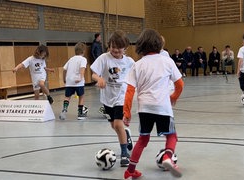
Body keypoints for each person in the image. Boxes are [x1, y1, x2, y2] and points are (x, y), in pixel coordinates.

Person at [123, 29, 184, 179]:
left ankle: (130, 170)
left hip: (144, 108)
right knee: (172, 136)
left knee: (143, 139)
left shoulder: (137, 65)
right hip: (162, 106)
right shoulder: (167, 61)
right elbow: (180, 84)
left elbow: (130, 91)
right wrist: (173, 96)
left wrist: (127, 112)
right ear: (159, 44)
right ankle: (167, 157)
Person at [90, 30, 134, 167]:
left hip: (122, 95)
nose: (115, 51)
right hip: (108, 97)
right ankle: (126, 135)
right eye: (112, 48)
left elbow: (136, 78)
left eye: (118, 50)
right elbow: (93, 74)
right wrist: (99, 79)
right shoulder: (104, 58)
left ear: (125, 48)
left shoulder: (129, 62)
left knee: (117, 124)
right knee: (113, 125)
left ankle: (125, 154)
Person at [59, 42, 88, 120]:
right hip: (78, 82)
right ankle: (80, 113)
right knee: (81, 96)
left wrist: (64, 79)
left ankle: (64, 110)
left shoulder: (71, 59)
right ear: (83, 51)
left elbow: (64, 69)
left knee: (67, 97)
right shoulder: (83, 59)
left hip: (69, 81)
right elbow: (82, 68)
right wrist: (80, 77)